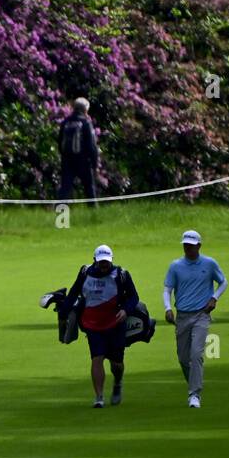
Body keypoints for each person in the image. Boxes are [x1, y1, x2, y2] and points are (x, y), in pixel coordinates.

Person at [68, 244, 138, 408]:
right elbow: (73, 292)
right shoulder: (85, 273)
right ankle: (99, 397)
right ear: (95, 261)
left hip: (115, 324)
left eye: (107, 261)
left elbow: (133, 297)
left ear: (111, 260)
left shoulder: (121, 275)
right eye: (101, 262)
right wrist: (65, 313)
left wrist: (126, 311)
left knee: (116, 363)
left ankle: (118, 382)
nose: (104, 264)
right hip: (92, 324)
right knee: (96, 358)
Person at [163, 230, 226, 409]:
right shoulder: (175, 266)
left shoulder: (209, 263)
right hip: (182, 316)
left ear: (199, 245)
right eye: (185, 245)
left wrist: (214, 298)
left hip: (201, 315)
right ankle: (194, 384)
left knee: (196, 354)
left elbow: (223, 282)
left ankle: (194, 394)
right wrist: (168, 308)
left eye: (191, 245)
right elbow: (167, 289)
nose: (188, 248)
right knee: (183, 358)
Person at [57, 97, 99, 205]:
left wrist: (64, 157)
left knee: (65, 189)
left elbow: (60, 142)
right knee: (89, 189)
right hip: (83, 161)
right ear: (85, 110)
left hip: (67, 160)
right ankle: (94, 216)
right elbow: (92, 146)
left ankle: (61, 217)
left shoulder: (65, 122)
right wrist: (95, 164)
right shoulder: (86, 123)